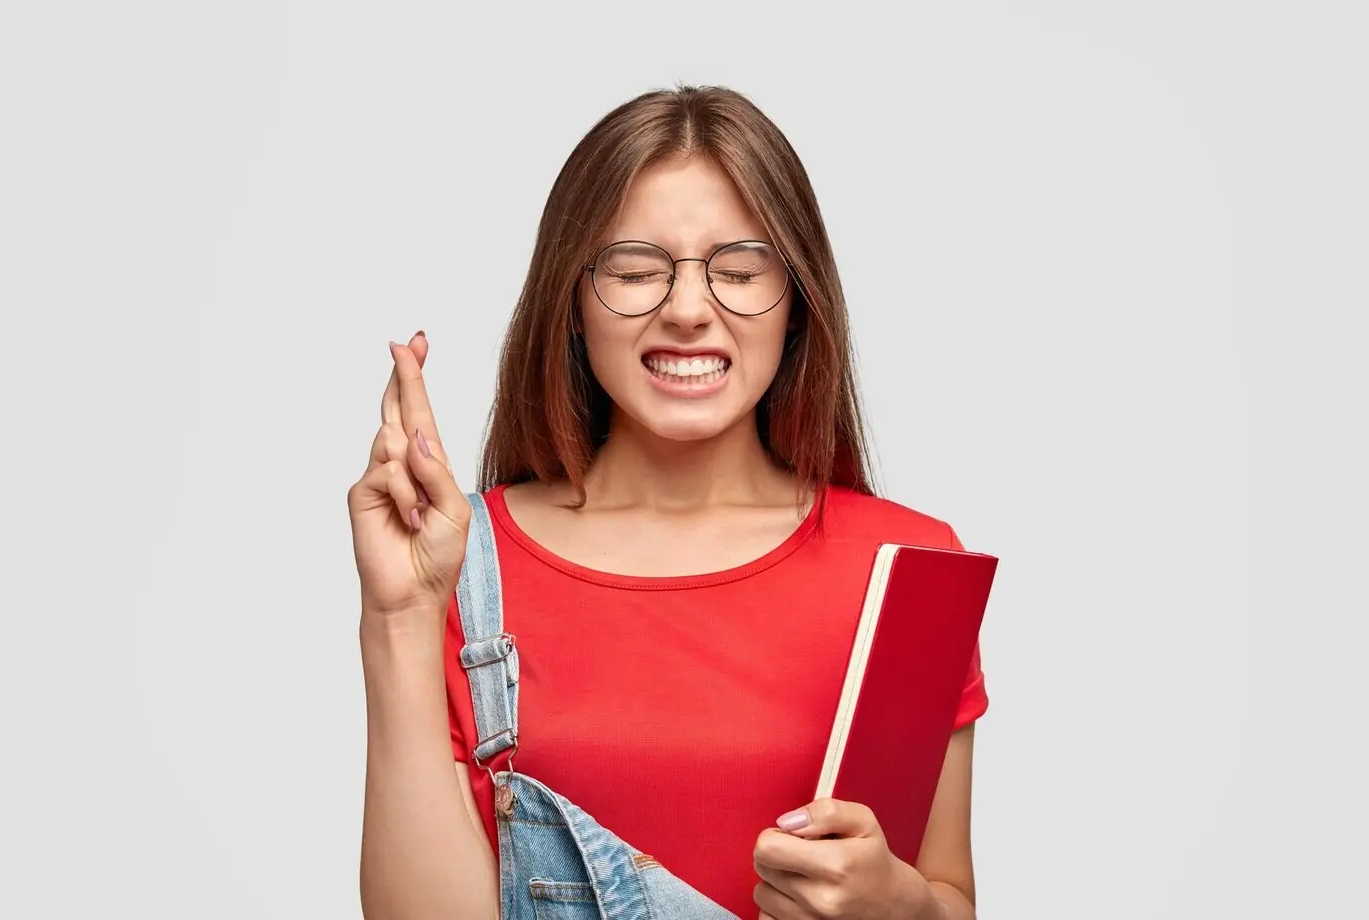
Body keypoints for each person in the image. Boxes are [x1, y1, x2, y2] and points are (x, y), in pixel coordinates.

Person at [349, 85, 988, 920]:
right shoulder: (461, 564)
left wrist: (900, 907)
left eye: (740, 270)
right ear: (573, 303)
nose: (689, 310)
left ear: (796, 300)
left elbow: (949, 898)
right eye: (636, 269)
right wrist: (397, 619)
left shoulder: (911, 571)